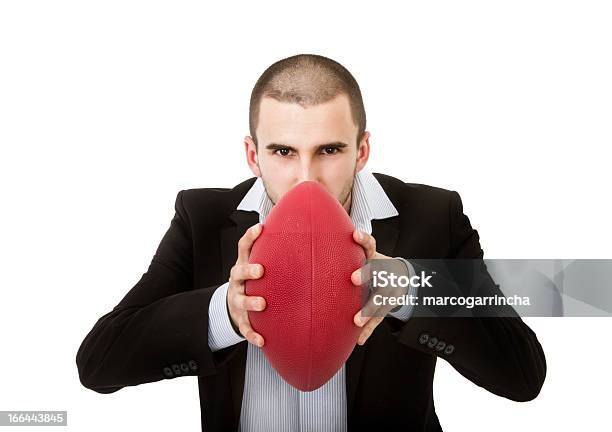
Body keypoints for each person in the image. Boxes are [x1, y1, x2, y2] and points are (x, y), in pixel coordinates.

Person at [76, 53, 546, 431]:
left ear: (361, 150)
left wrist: (410, 291)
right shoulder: (202, 218)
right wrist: (225, 311)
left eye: (329, 150)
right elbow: (99, 363)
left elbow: (521, 374)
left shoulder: (431, 216)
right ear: (252, 155)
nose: (306, 179)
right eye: (283, 151)